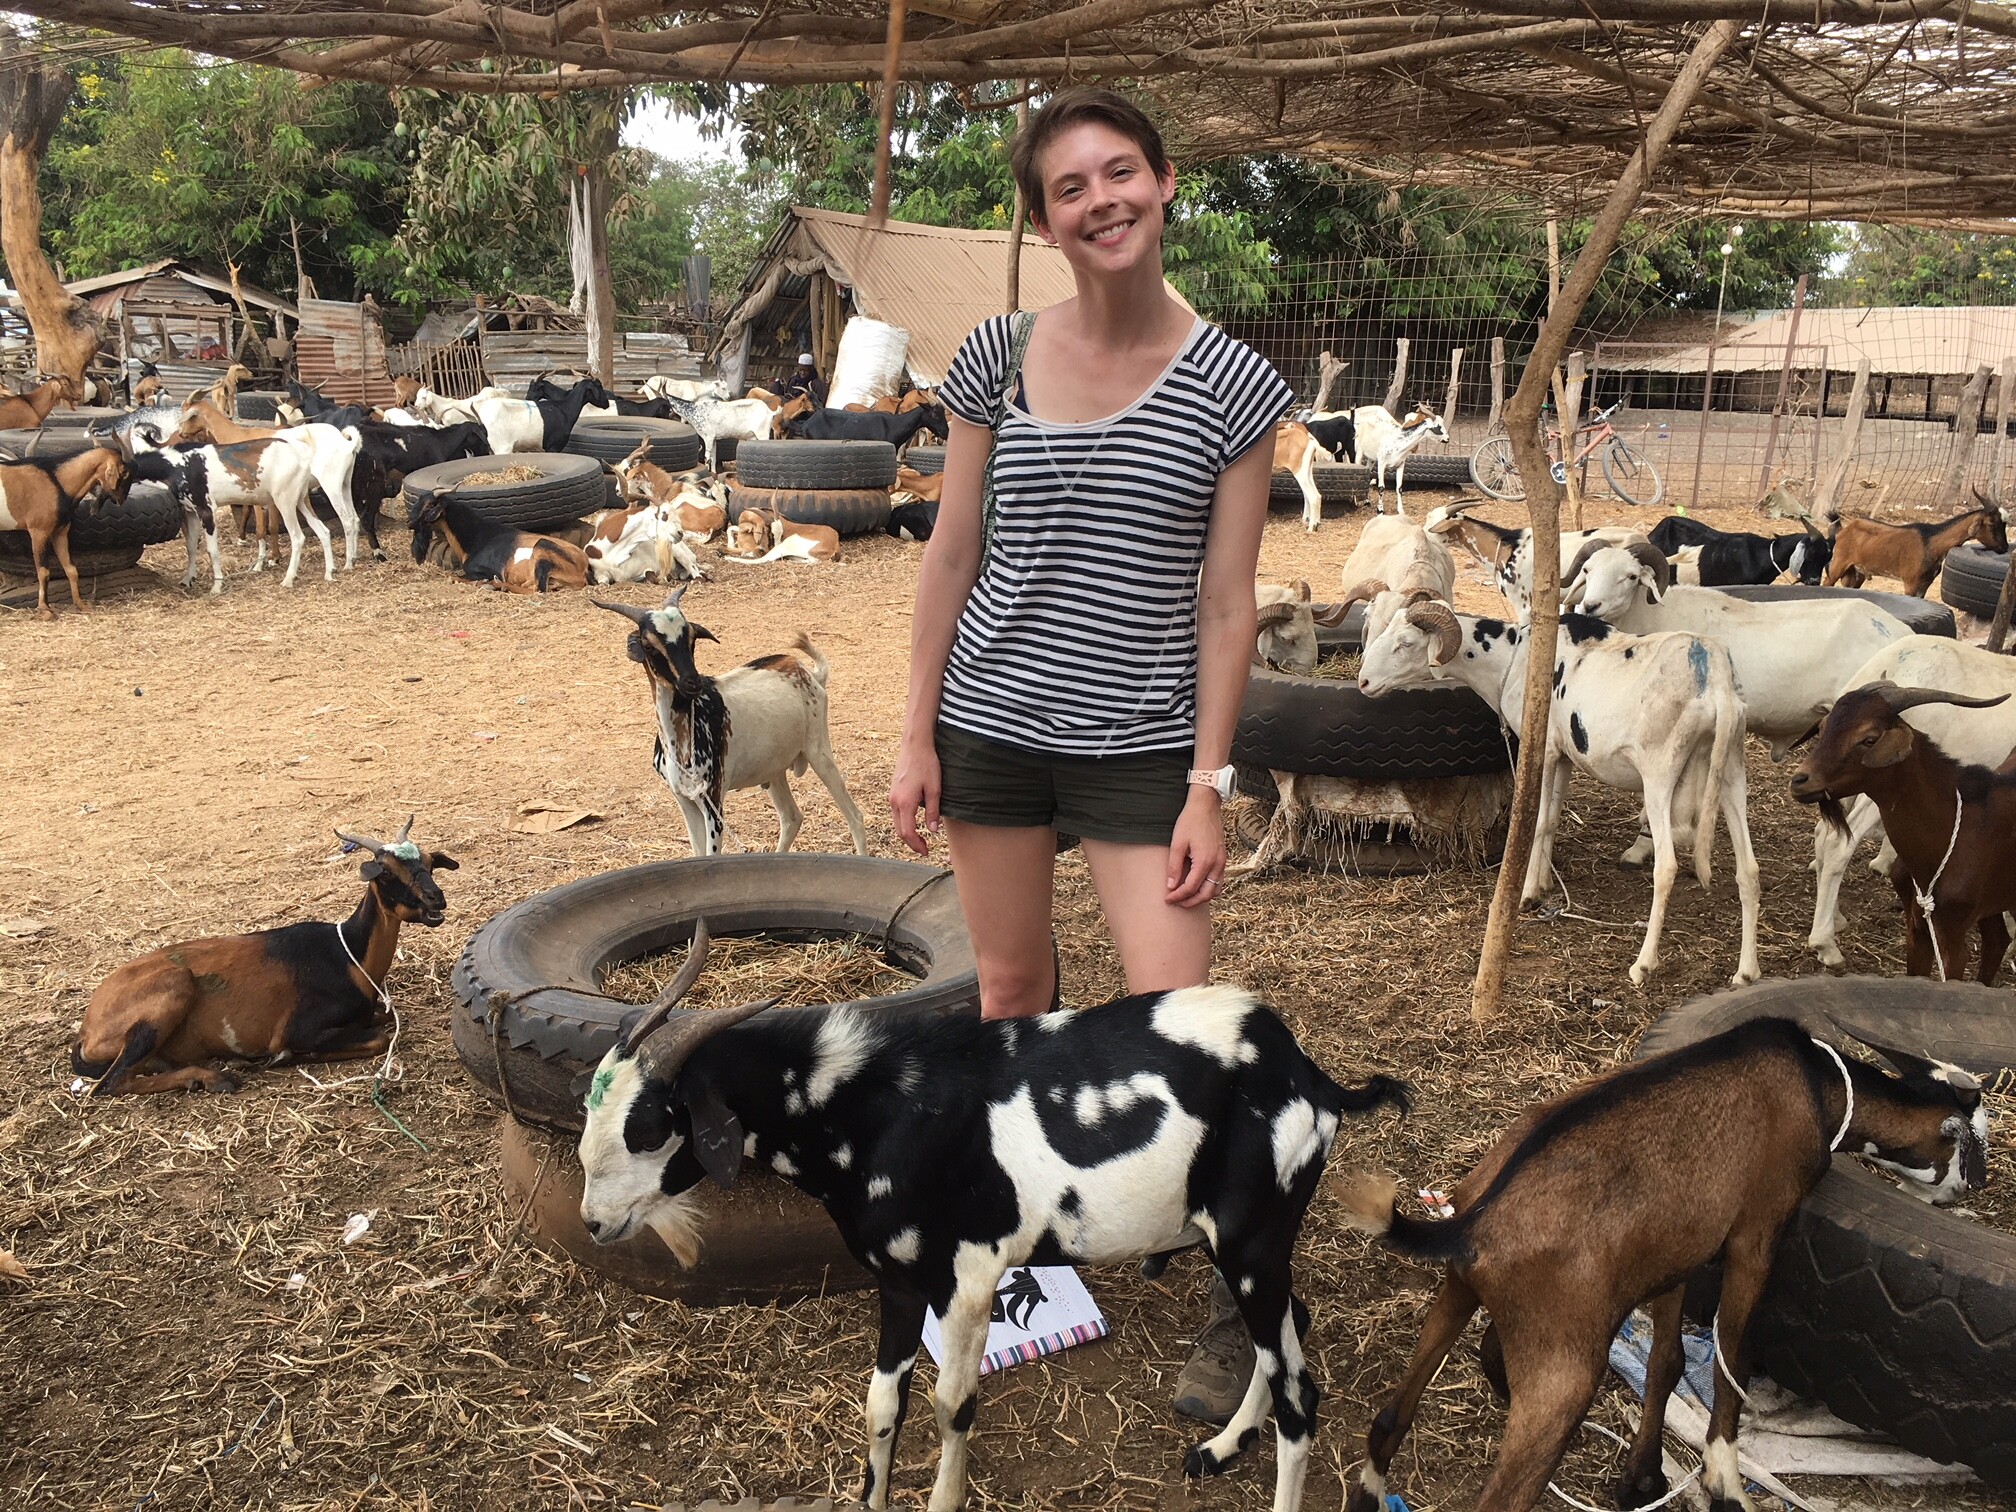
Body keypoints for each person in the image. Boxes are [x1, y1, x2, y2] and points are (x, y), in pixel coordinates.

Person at [887, 87, 1290, 1425]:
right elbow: (951, 553)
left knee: (1181, 1028)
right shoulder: (996, 353)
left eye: (1123, 173)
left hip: (1143, 748)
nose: (1102, 199)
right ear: (1045, 218)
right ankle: (1028, 1242)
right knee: (1009, 989)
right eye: (1071, 186)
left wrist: (1208, 788)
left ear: (1167, 186)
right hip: (992, 727)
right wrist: (914, 733)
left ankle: (1258, 1304)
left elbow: (1225, 602)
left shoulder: (1234, 384)